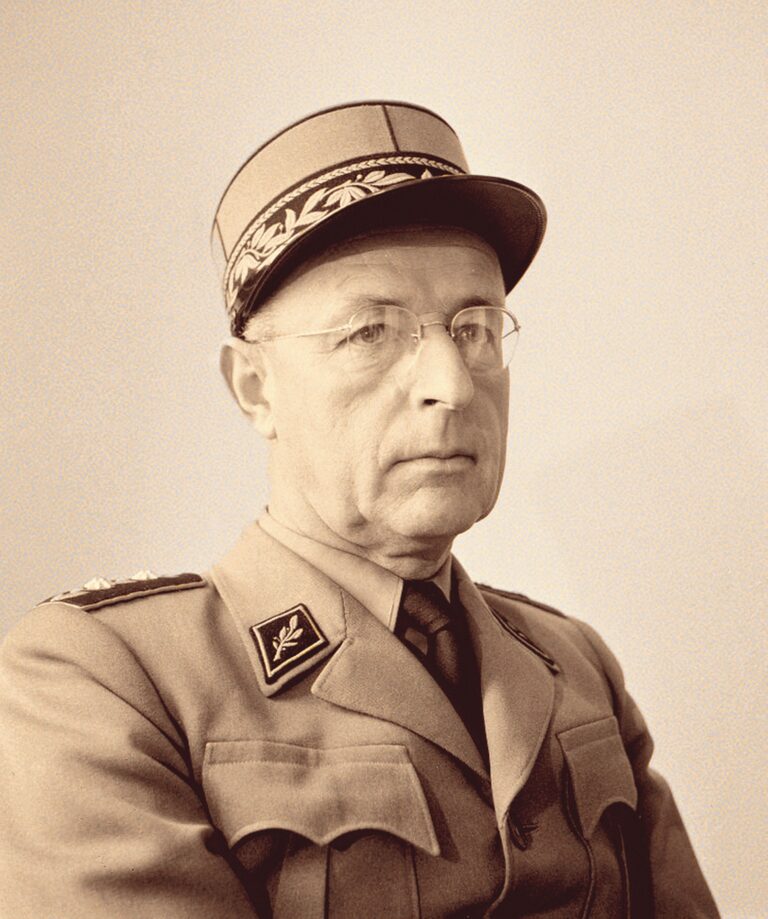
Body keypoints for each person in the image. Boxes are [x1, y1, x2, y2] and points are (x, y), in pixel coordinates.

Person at [0, 101, 719, 918]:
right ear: (255, 388)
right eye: (371, 331)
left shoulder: (576, 663)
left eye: (476, 328)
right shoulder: (106, 677)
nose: (451, 384)